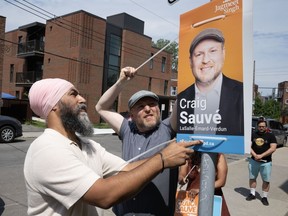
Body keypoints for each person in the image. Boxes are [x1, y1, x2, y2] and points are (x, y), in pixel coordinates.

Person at [23, 78, 202, 216]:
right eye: (73, 94)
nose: (82, 98)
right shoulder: (48, 150)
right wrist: (162, 159)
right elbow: (104, 196)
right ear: (53, 105)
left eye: (152, 104)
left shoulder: (89, 146)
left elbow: (127, 169)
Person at [95, 67, 178, 215]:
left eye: (152, 104)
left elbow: (184, 101)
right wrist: (121, 82)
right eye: (140, 106)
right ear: (131, 114)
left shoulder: (167, 128)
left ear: (158, 109)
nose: (148, 109)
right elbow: (101, 107)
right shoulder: (127, 129)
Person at [177, 28, 244, 136]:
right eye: (198, 54)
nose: (205, 60)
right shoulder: (181, 99)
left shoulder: (242, 94)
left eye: (212, 51)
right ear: (190, 61)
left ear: (223, 53)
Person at [178, 151, 230, 216]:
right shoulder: (189, 154)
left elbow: (221, 181)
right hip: (192, 199)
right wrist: (182, 179)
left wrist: (200, 190)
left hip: (212, 199)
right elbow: (182, 174)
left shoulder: (218, 156)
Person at [246, 119, 277, 206]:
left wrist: (261, 156)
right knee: (252, 178)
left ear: (266, 127)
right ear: (257, 127)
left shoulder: (271, 135)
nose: (261, 128)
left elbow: (273, 148)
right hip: (253, 161)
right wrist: (255, 155)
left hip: (266, 162)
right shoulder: (253, 134)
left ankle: (264, 197)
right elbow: (248, 145)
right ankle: (252, 194)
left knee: (266, 180)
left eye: (263, 126)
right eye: (260, 126)